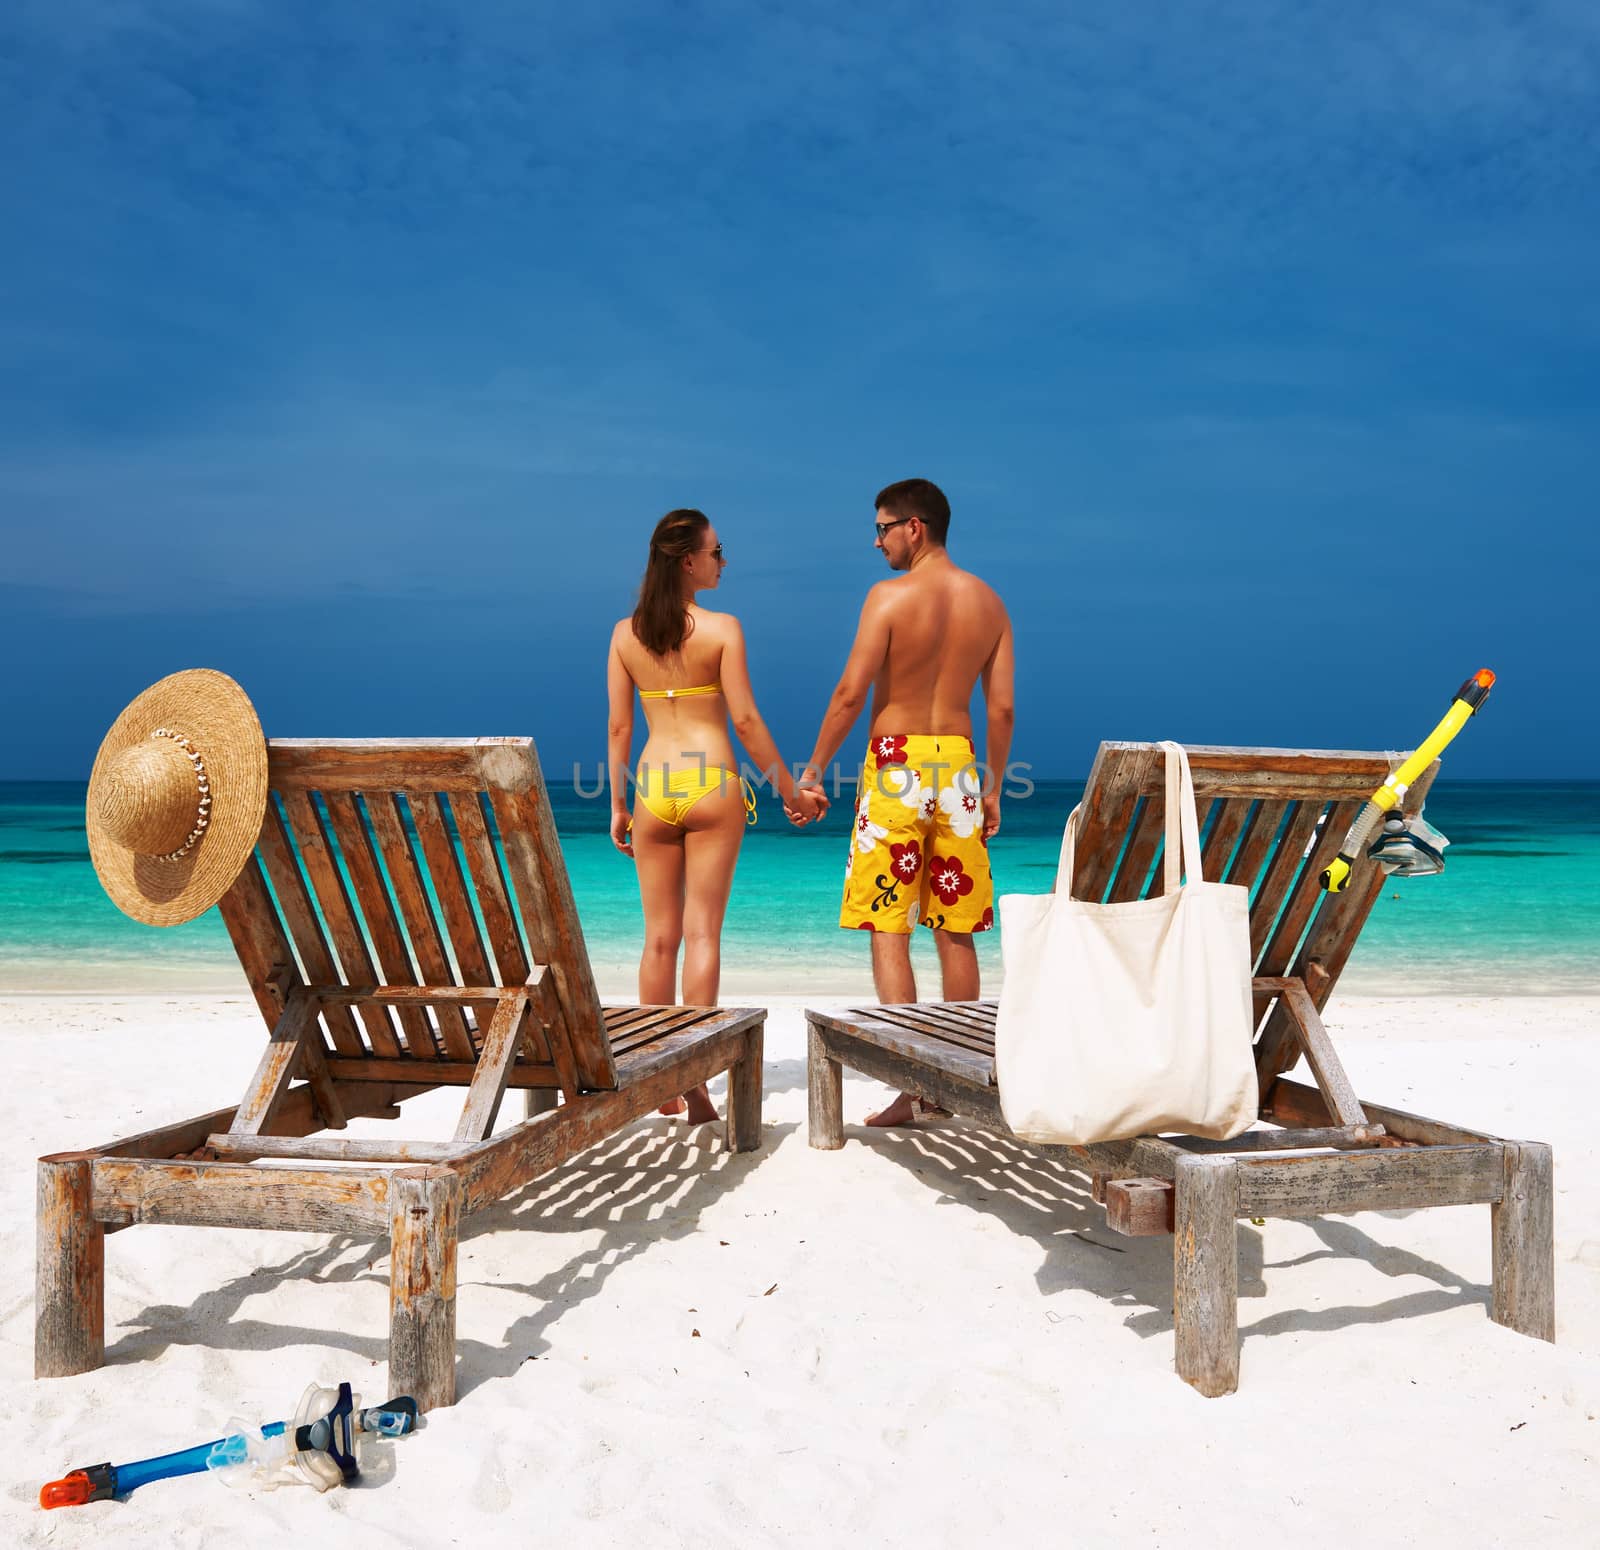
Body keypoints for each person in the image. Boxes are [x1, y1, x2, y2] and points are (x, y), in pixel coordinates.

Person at [798, 478, 1014, 1127]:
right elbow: (1000, 707)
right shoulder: (990, 603)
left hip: (895, 765)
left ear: (914, 527)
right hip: (959, 768)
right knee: (956, 927)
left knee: (888, 925)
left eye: (883, 527)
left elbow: (848, 694)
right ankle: (952, 1083)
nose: (878, 540)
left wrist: (813, 773)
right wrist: (995, 784)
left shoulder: (888, 597)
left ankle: (910, 1082)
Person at [609, 508, 827, 1123]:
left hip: (653, 789)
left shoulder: (625, 635)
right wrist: (789, 792)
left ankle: (658, 1082)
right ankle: (698, 1081)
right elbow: (748, 723)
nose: (723, 560)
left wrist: (620, 804)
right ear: (688, 561)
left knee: (658, 938)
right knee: (702, 933)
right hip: (711, 784)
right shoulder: (723, 628)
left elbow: (620, 725)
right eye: (716, 550)